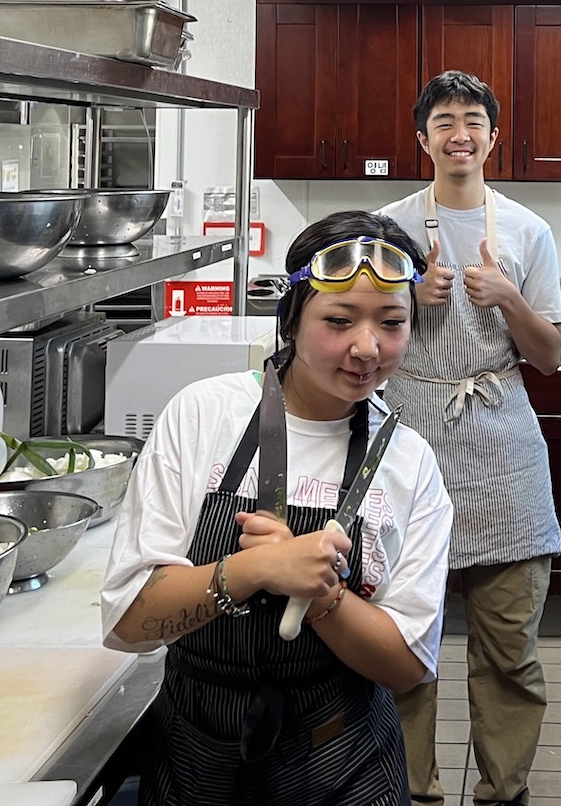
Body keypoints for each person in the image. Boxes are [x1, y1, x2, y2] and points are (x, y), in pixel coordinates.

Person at [102, 211, 454, 806]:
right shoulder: (203, 415)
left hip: (346, 765)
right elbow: (129, 623)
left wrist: (322, 596)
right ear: (291, 319)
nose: (366, 347)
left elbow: (406, 667)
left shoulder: (408, 461)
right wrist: (256, 569)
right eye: (338, 320)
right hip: (194, 760)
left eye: (392, 322)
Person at [376, 70, 561, 806]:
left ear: (493, 137)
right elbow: (358, 337)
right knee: (401, 640)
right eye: (445, 122)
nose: (460, 134)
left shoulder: (526, 230)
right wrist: (404, 298)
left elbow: (548, 356)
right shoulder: (389, 228)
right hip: (408, 437)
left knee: (509, 650)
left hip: (502, 444)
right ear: (422, 139)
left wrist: (509, 297)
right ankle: (410, 792)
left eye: (474, 121)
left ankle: (503, 790)